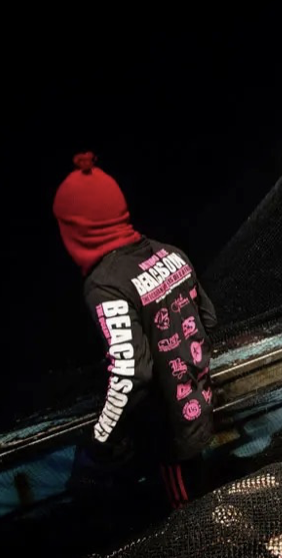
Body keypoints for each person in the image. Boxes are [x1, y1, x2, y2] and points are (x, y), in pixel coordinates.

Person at [53, 152, 216, 509]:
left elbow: (131, 373)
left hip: (167, 437)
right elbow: (209, 319)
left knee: (188, 516)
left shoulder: (105, 284)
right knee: (196, 490)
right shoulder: (170, 253)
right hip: (198, 411)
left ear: (76, 229)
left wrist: (98, 441)